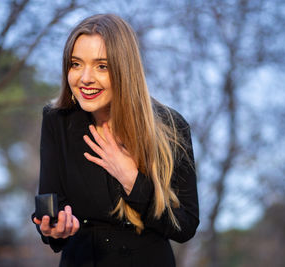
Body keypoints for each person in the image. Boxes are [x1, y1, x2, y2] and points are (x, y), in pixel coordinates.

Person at [32, 13, 199, 267]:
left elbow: (185, 226)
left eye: (102, 66)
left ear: (125, 69)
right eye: (76, 64)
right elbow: (53, 207)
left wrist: (132, 179)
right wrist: (53, 229)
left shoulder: (171, 127)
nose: (85, 78)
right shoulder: (57, 120)